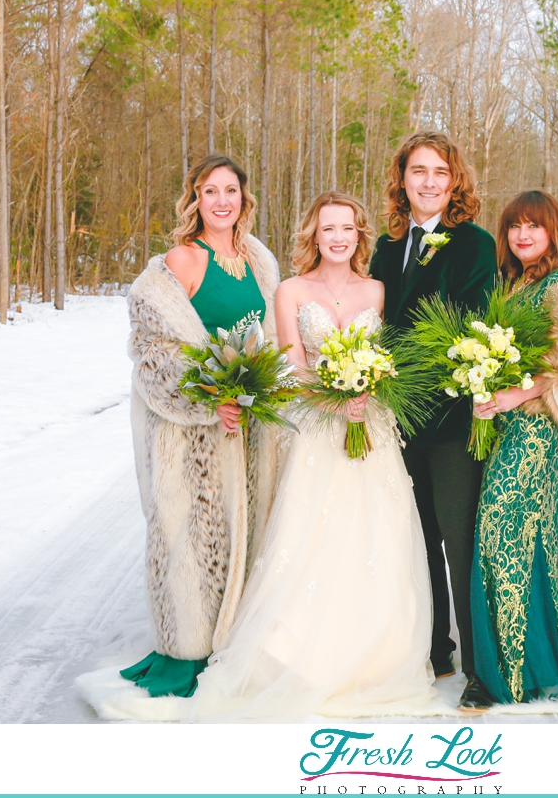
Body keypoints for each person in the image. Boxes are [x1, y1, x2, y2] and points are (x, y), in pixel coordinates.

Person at [177, 192, 437, 720]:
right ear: (313, 237)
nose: (338, 237)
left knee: (377, 534)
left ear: (358, 236)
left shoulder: (378, 290)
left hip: (372, 427)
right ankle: (299, 657)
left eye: (347, 228)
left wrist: (368, 392)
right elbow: (293, 365)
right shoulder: (291, 291)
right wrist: (334, 394)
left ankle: (379, 656)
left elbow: (387, 357)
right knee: (312, 534)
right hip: (317, 426)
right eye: (328, 229)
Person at [77, 158, 286, 719]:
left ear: (245, 197)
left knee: (242, 530)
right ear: (195, 198)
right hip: (185, 432)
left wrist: (257, 391)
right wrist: (206, 399)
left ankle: (231, 642)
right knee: (186, 535)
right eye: (210, 191)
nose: (222, 201)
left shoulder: (260, 260)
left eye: (232, 190)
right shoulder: (180, 261)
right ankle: (186, 649)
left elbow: (269, 337)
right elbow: (153, 351)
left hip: (245, 425)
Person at [464, 192, 558, 713]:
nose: (523, 236)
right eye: (514, 228)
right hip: (510, 426)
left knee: (503, 526)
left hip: (541, 431)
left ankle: (514, 670)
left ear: (554, 232)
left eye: (534, 227)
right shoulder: (513, 284)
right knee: (515, 535)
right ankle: (515, 662)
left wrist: (515, 394)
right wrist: (487, 392)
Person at [370, 132, 498, 693]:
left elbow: (463, 318)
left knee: (458, 540)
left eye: (439, 173)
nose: (427, 182)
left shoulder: (472, 242)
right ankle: (435, 651)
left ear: (455, 182)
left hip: (450, 420)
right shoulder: (382, 246)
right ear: (402, 179)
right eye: (417, 171)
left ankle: (479, 668)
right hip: (395, 420)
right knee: (416, 539)